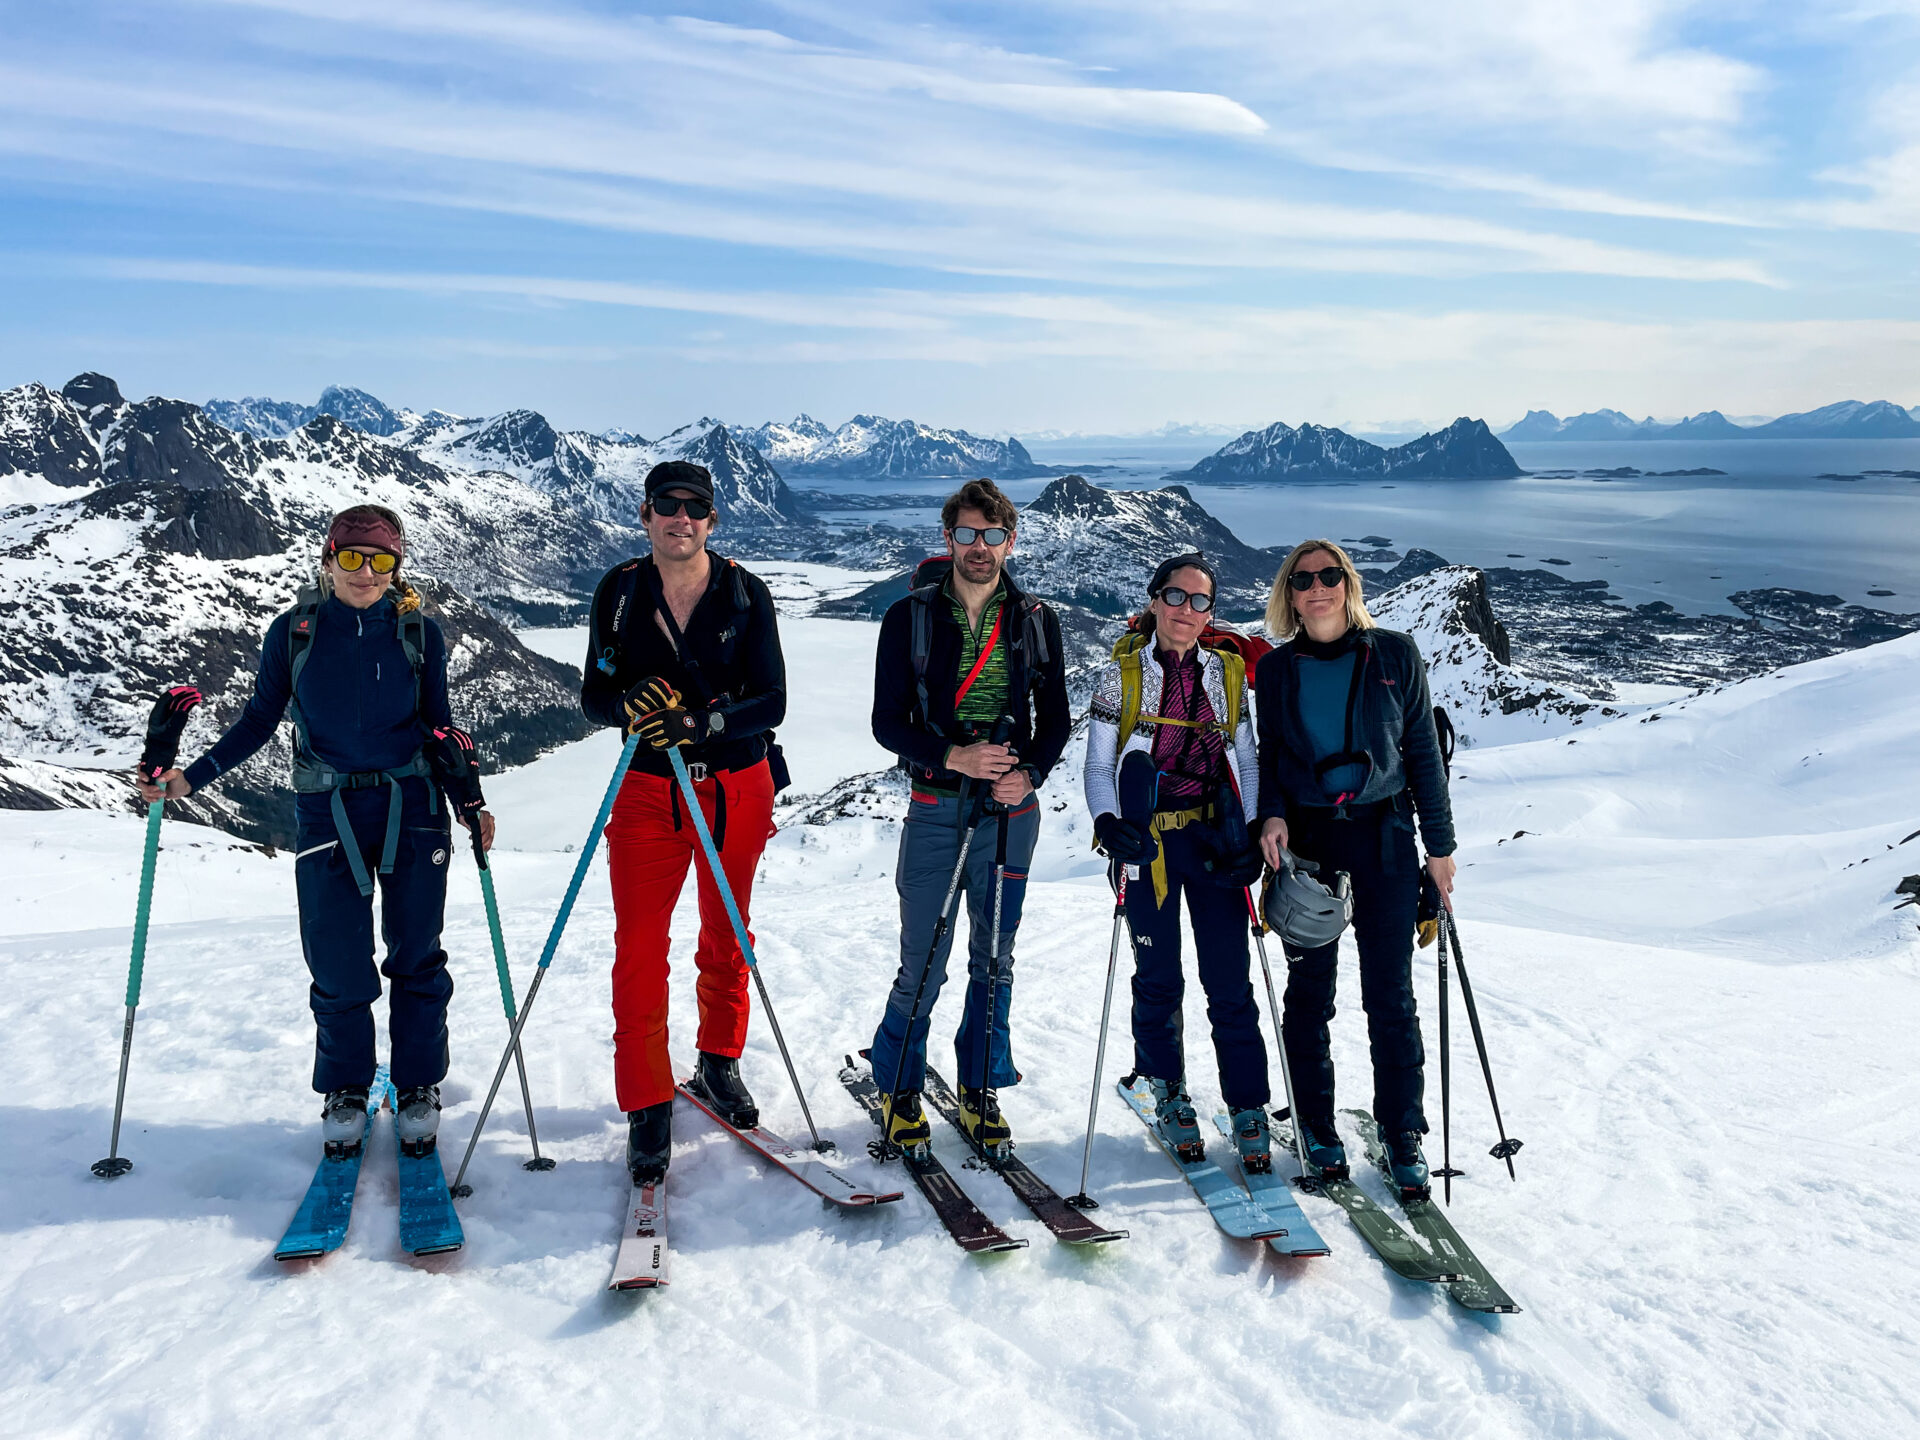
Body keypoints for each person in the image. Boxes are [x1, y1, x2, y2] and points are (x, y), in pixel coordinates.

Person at [137, 504, 494, 1159]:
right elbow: (257, 721)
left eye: (380, 559)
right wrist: (189, 779)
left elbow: (439, 730)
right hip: (326, 811)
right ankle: (347, 1089)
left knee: (418, 956)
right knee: (335, 962)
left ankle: (417, 1086)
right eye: (352, 557)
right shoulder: (295, 633)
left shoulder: (420, 636)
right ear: (328, 558)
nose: (365, 571)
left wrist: (469, 802)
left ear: (396, 567)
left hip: (411, 807)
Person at [580, 460, 787, 1185]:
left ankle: (718, 1062)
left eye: (694, 508)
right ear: (645, 516)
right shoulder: (618, 592)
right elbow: (593, 697)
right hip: (646, 791)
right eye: (667, 507)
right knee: (639, 946)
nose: (681, 519)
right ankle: (646, 1101)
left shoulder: (743, 592)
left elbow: (772, 702)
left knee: (727, 931)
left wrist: (698, 720)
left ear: (712, 521)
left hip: (735, 783)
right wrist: (627, 702)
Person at [868, 478, 1070, 1154]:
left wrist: (1030, 775)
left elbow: (1057, 721)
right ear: (947, 537)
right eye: (966, 534)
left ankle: (980, 1086)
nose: (979, 548)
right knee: (922, 960)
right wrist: (954, 754)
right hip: (936, 807)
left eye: (992, 535)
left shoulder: (1037, 622)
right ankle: (897, 1085)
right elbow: (886, 723)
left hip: (1011, 816)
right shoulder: (911, 618)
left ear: (1010, 541)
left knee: (995, 957)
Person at [1253, 539, 1457, 1195]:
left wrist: (1442, 849)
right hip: (1308, 847)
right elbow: (1271, 757)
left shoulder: (1394, 654)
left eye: (1329, 576)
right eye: (1303, 579)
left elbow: (1423, 753)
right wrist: (1273, 816)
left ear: (1348, 584)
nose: (1318, 588)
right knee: (1311, 997)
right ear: (1290, 594)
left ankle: (1403, 1135)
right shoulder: (1279, 671)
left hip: (1387, 842)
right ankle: (1316, 1125)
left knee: (1390, 998)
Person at [1083, 554, 1271, 1169]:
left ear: (1211, 612)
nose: (1186, 611)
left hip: (1215, 844)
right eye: (1176, 596)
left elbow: (1246, 758)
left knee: (1228, 980)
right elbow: (1097, 764)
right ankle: (1167, 1091)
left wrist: (1247, 834)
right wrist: (1111, 825)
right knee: (1158, 978)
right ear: (1155, 601)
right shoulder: (1123, 675)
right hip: (1149, 846)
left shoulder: (1228, 675)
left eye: (1199, 601)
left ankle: (1248, 1104)